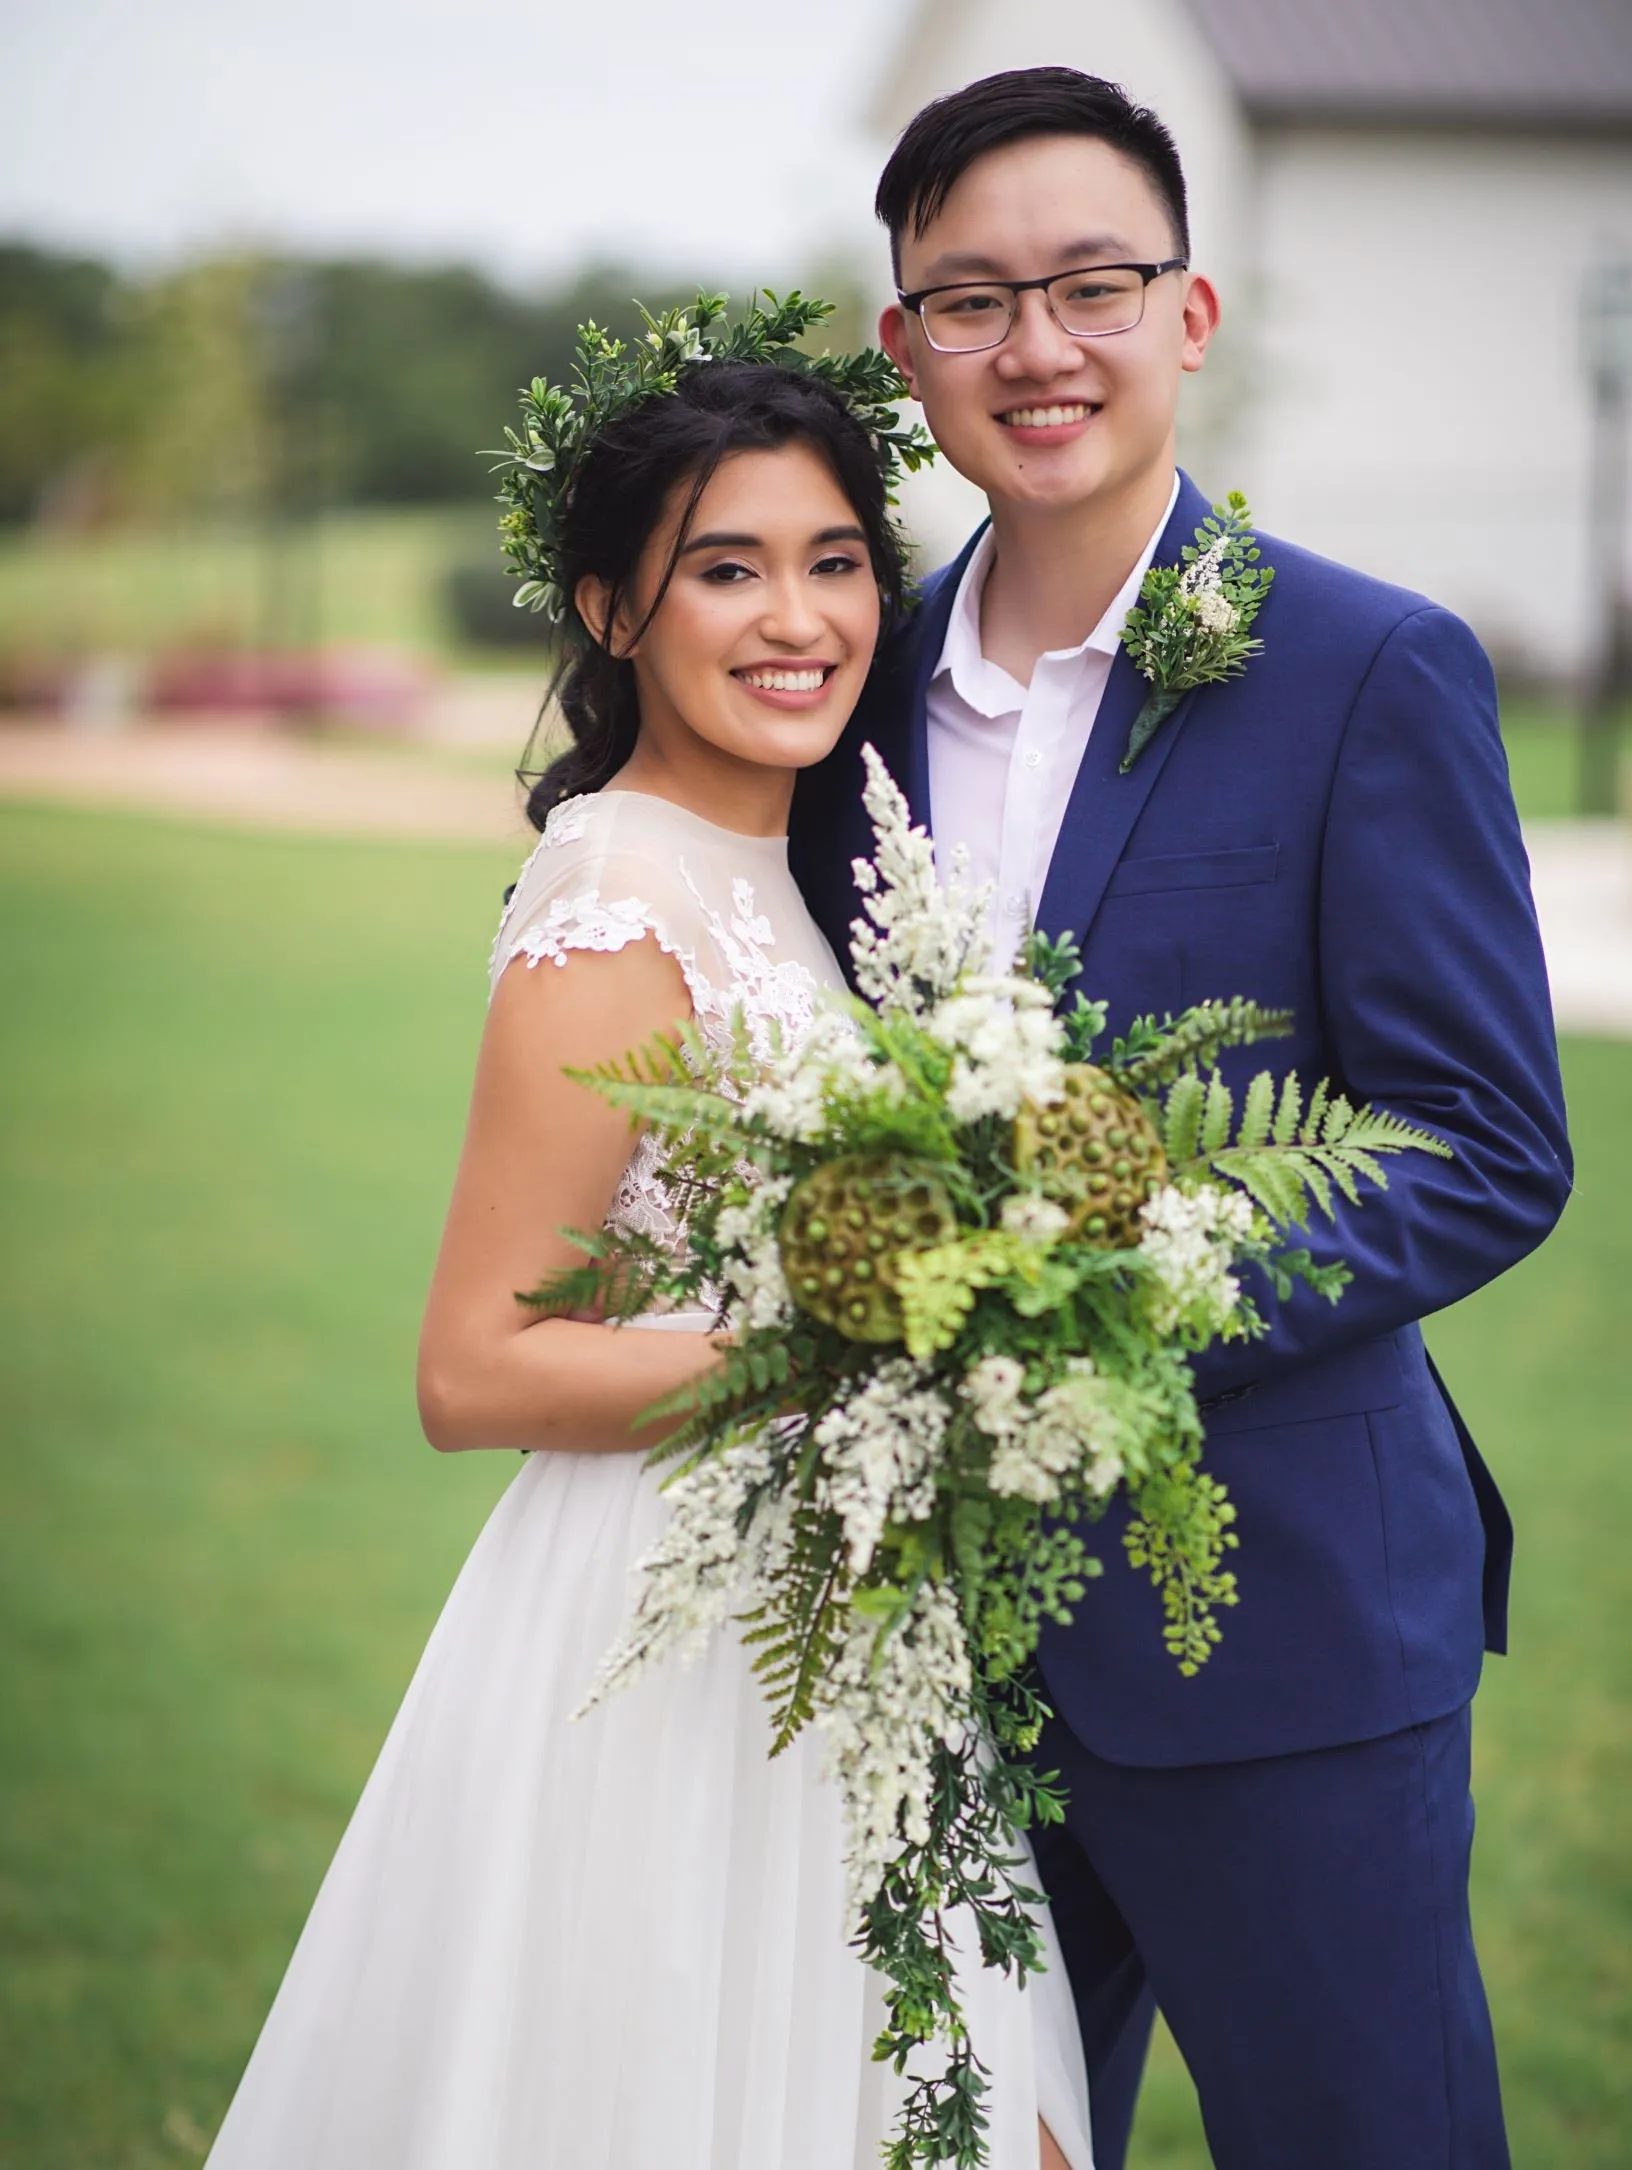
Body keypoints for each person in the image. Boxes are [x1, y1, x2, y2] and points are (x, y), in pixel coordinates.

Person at [791, 65, 1572, 2170]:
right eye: (970, 299)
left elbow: (1490, 1137)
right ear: (905, 348)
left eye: (1090, 283)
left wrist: (1110, 1296)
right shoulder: (835, 697)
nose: (1034, 345)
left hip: (1292, 1637)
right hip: (932, 1642)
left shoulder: (1366, 667)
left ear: (1190, 313)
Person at [201, 329, 1092, 2169]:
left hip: (842, 1624)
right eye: (728, 566)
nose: (799, 617)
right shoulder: (619, 895)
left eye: (837, 558)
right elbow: (475, 1366)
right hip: (673, 1647)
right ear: (612, 609)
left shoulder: (795, 867)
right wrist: (850, 1342)